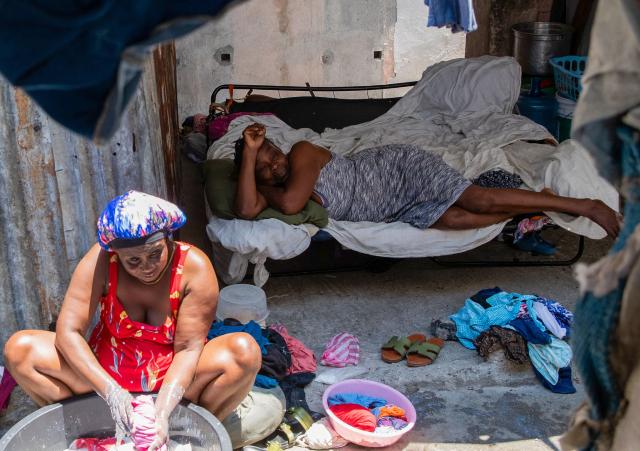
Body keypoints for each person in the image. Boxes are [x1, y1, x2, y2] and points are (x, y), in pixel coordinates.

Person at [3, 190, 282, 450]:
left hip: (173, 378)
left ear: (168, 240)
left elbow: (188, 349)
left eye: (154, 254)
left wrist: (160, 413)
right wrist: (112, 392)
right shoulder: (101, 260)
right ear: (116, 254)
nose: (147, 267)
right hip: (105, 375)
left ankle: (188, 427)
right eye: (133, 261)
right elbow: (69, 332)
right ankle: (86, 424)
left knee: (243, 352)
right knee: (20, 350)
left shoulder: (193, 267)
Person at [234, 123, 621, 237]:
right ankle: (538, 204)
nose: (275, 165)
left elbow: (289, 205)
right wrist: (250, 158)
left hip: (396, 170)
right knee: (453, 220)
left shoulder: (302, 151)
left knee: (478, 201)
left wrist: (259, 159)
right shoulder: (272, 188)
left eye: (272, 153)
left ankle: (583, 206)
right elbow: (247, 209)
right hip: (394, 207)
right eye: (264, 167)